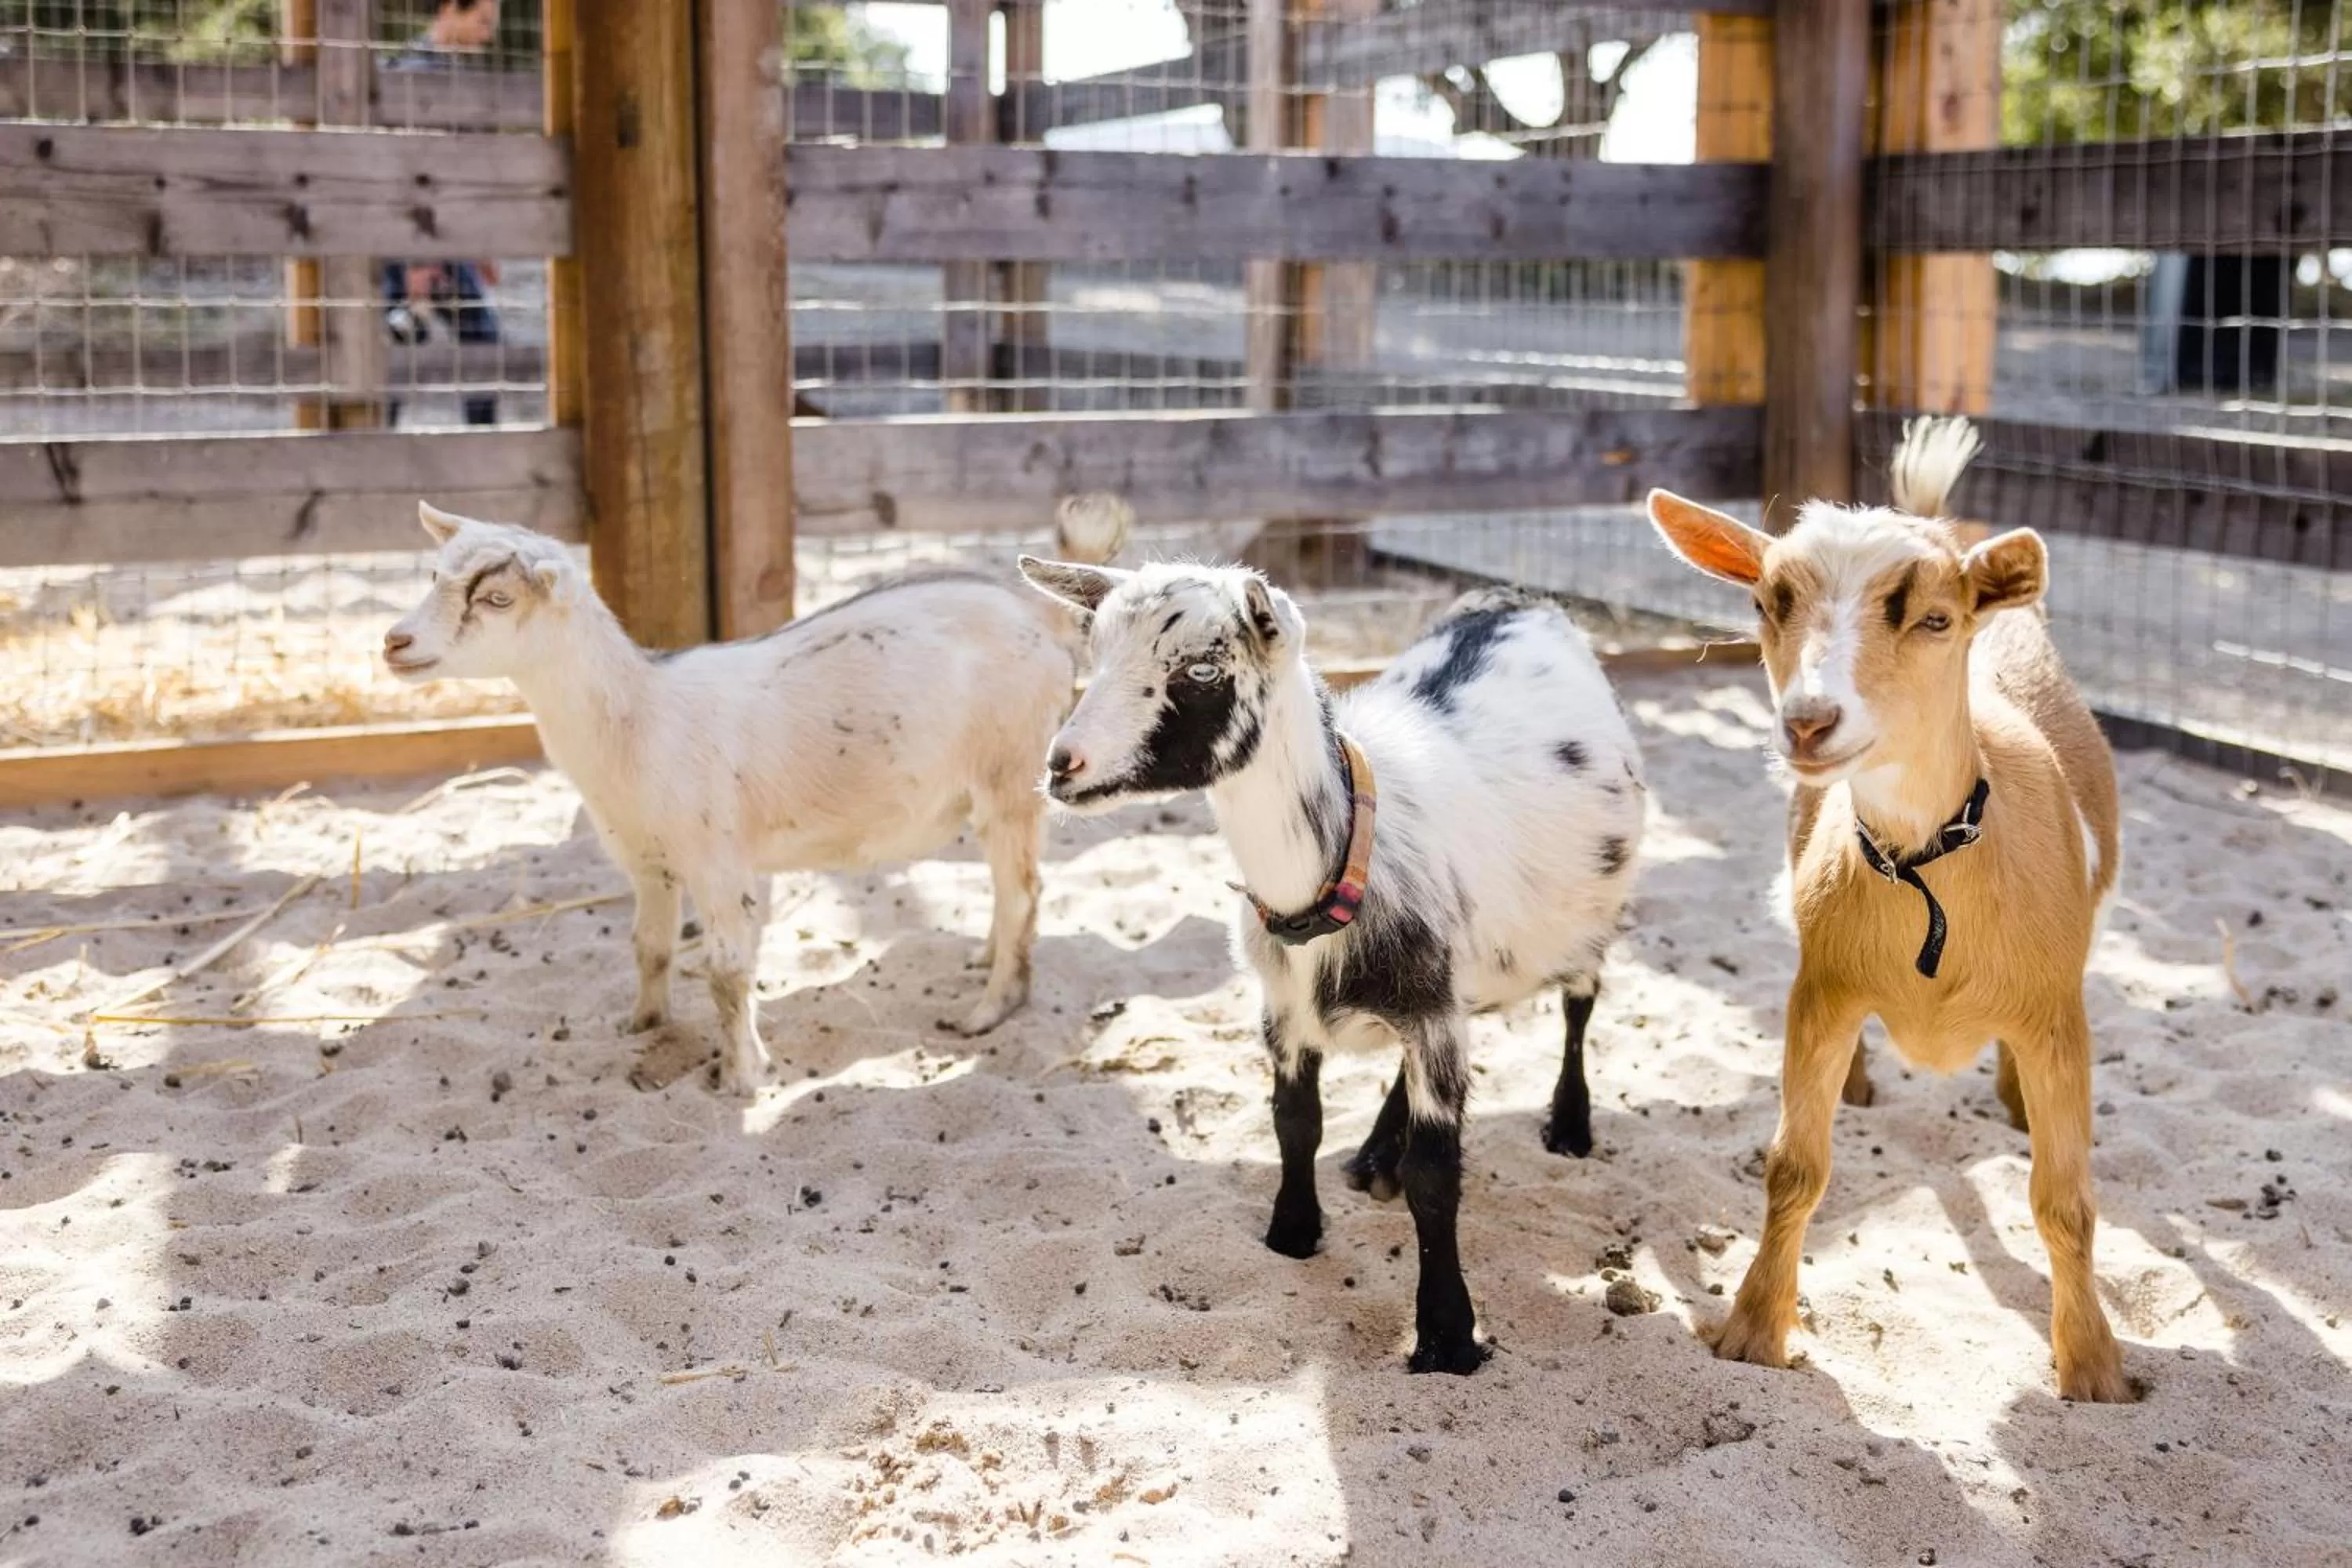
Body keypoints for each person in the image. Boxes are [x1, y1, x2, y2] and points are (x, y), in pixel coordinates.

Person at [379, 0, 504, 426]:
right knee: (403, 348)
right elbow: (410, 174)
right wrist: (418, 260)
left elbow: (459, 170)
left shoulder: (447, 73)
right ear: (451, 10)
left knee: (415, 343)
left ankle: (482, 447)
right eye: (482, 22)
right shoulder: (418, 75)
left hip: (445, 242)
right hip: (414, 243)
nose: (488, 35)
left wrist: (479, 244)